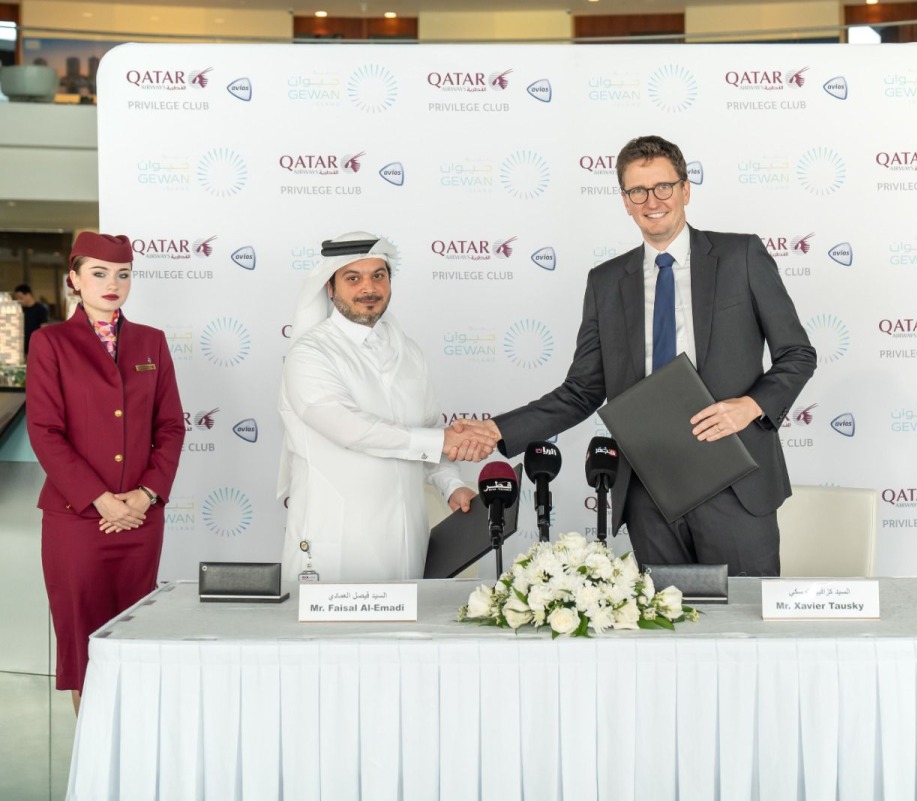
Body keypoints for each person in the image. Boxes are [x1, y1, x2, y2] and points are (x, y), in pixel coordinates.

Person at [466, 135, 816, 576]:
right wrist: (497, 430)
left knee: (746, 628)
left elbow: (798, 354)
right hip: (650, 491)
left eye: (663, 187)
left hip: (736, 482)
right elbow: (582, 390)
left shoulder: (741, 255)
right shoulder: (606, 282)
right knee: (665, 632)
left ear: (685, 190)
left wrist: (750, 406)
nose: (652, 201)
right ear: (625, 201)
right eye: (638, 191)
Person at [278, 232, 498, 582]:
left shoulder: (408, 352)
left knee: (401, 636)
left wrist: (451, 485)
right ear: (330, 288)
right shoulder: (311, 354)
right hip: (334, 543)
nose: (369, 287)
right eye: (353, 278)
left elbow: (426, 432)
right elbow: (348, 427)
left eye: (378, 276)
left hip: (407, 543)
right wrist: (441, 441)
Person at [25, 232, 185, 713]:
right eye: (98, 273)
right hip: (77, 523)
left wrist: (146, 496)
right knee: (86, 652)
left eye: (122, 274)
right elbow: (46, 432)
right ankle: (95, 773)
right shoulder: (50, 341)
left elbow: (172, 427)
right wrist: (100, 499)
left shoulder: (151, 341)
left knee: (134, 647)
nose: (112, 283)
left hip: (139, 523)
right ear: (74, 279)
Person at [13, 283, 50, 355]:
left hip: (34, 346)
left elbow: (44, 328)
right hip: (21, 347)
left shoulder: (40, 309)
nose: (19, 301)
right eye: (17, 298)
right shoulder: (20, 310)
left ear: (28, 295)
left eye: (20, 297)